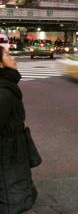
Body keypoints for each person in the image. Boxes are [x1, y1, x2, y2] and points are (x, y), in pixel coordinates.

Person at [0, 47, 38, 213]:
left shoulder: (7, 85)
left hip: (11, 149)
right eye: (8, 55)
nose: (13, 58)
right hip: (8, 151)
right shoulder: (4, 91)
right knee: (10, 192)